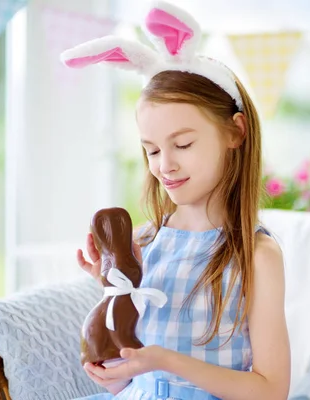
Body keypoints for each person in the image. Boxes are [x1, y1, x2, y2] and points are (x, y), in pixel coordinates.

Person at [64, 1, 290, 399]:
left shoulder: (255, 254)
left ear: (235, 133)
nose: (164, 166)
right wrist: (113, 288)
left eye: (182, 144)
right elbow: (130, 378)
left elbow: (271, 390)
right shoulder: (146, 243)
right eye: (151, 150)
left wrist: (164, 360)